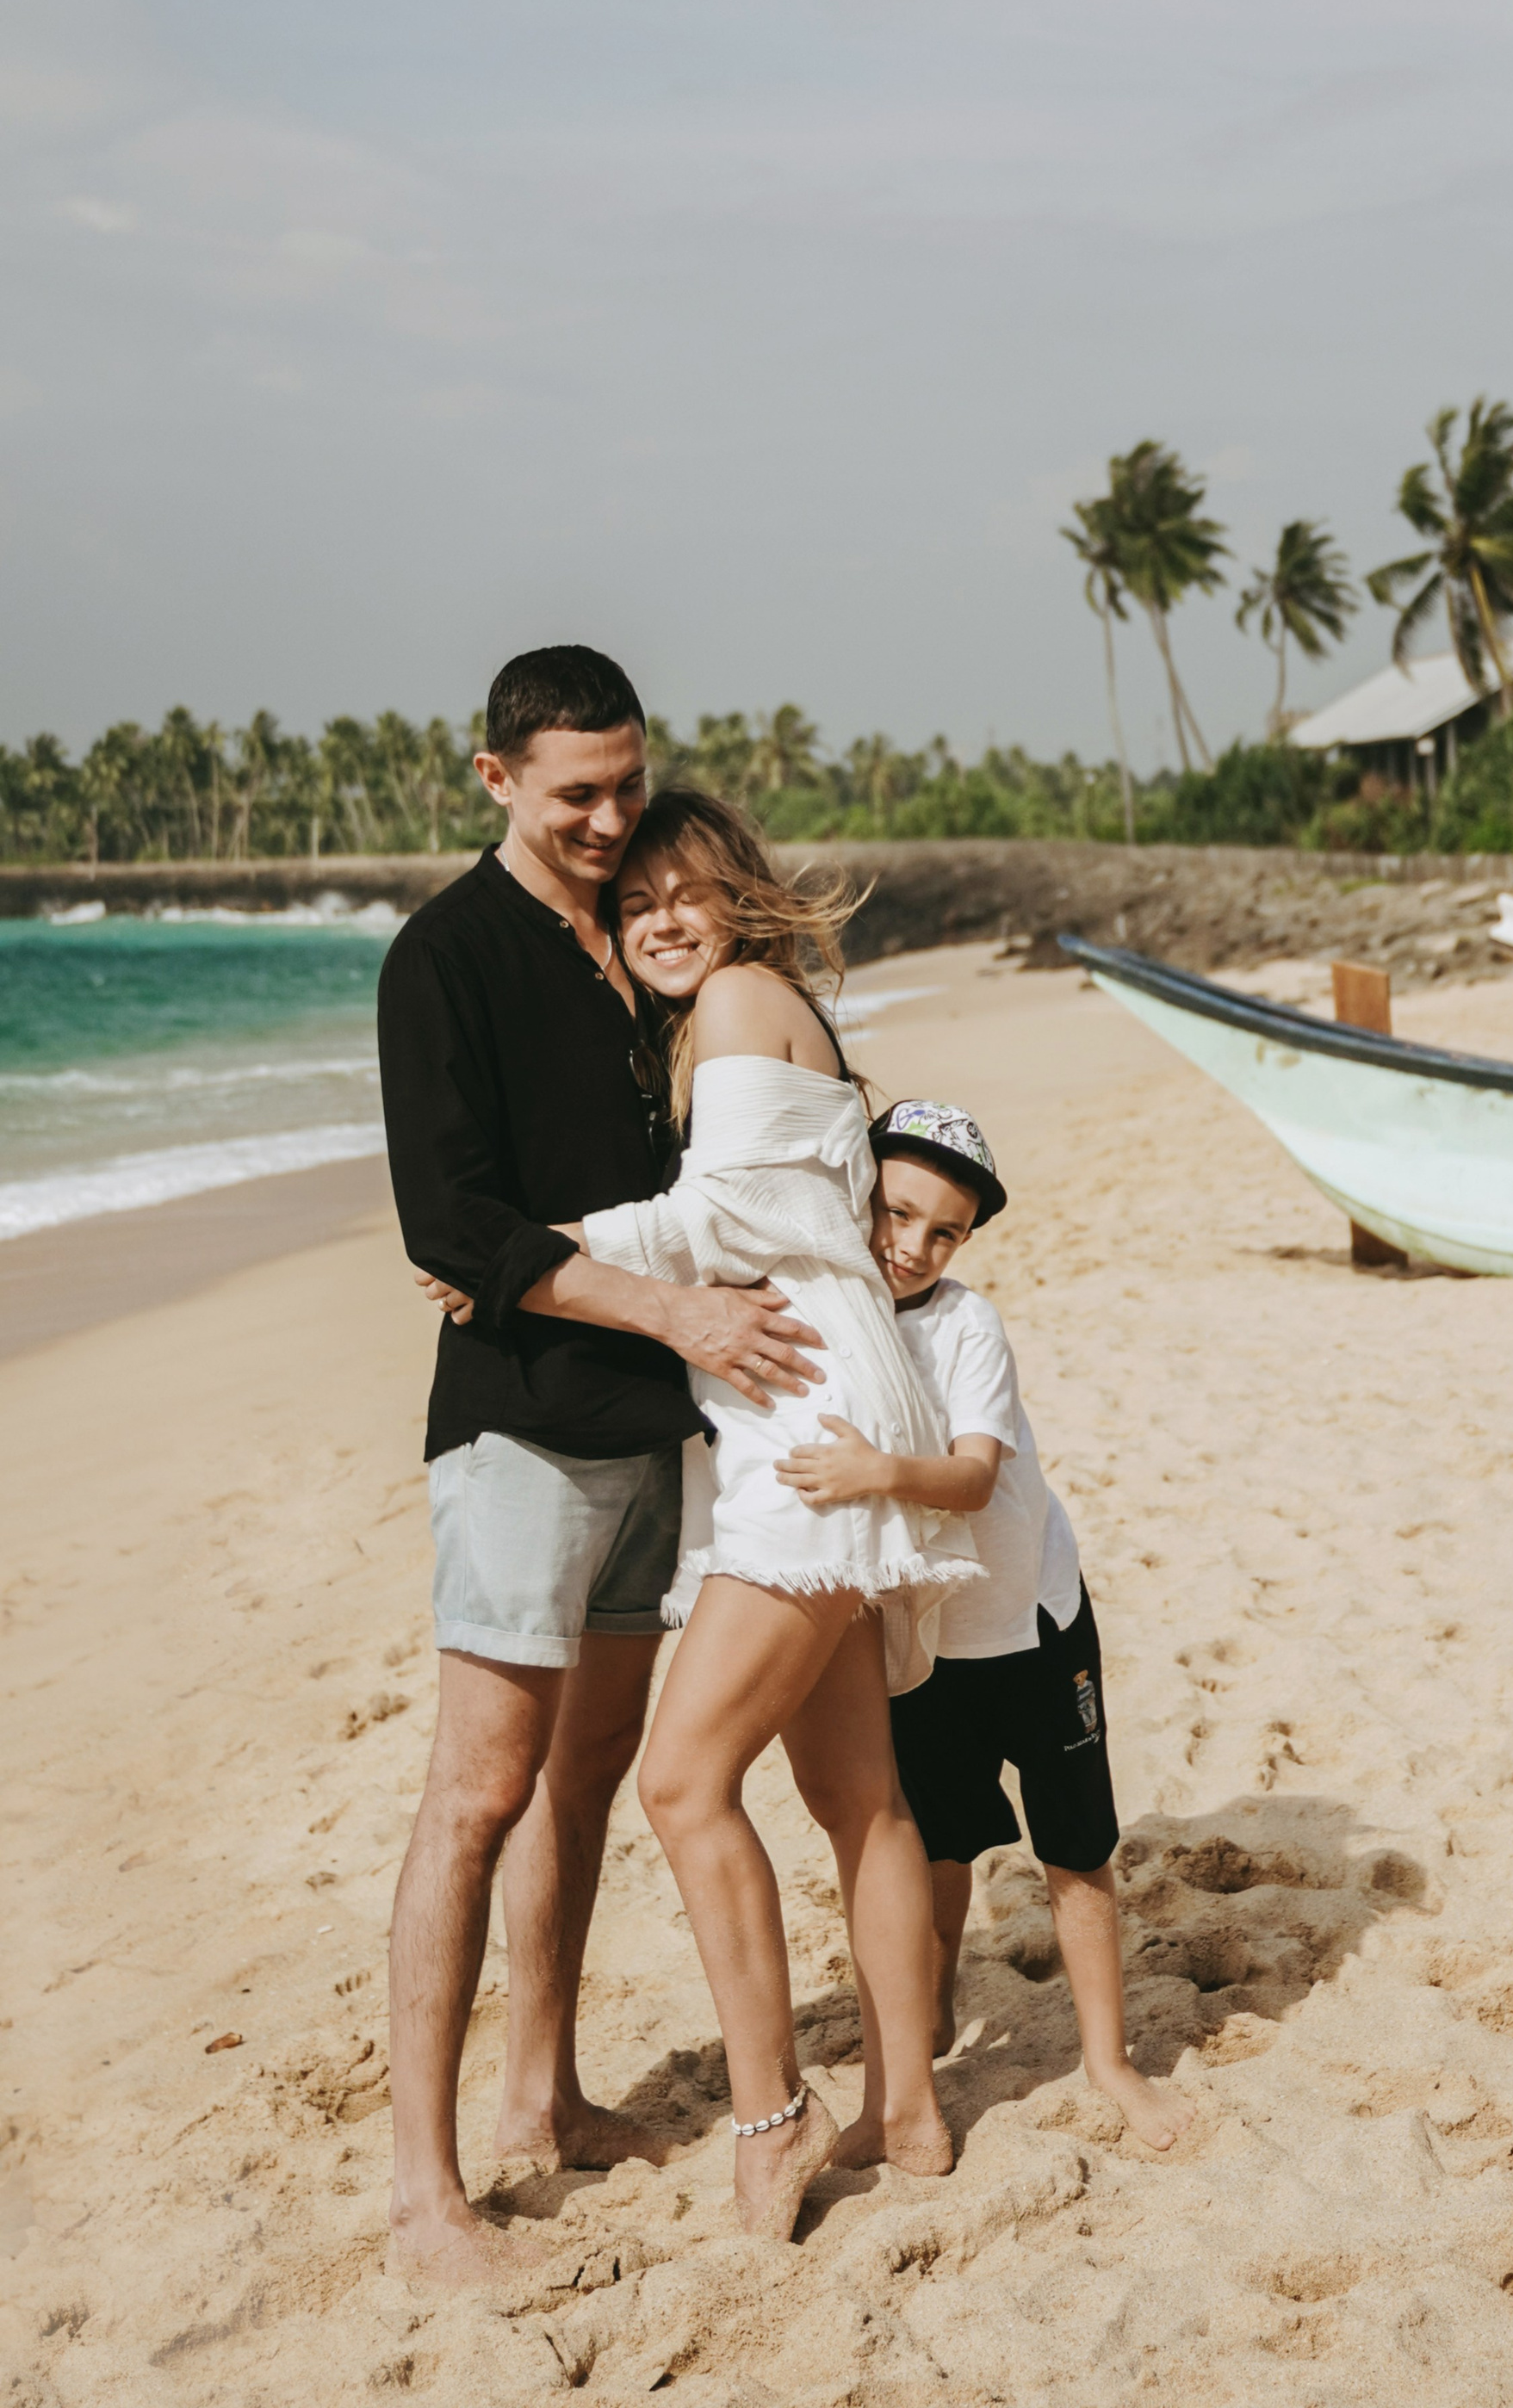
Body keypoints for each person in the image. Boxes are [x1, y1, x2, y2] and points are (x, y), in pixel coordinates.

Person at [376, 647, 824, 2284]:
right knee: (479, 1791)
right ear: (493, 778)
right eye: (578, 792)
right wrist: (668, 1308)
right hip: (518, 1428)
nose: (611, 819)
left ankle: (542, 2096)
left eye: (629, 785)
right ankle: (428, 2200)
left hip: (659, 1435)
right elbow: (452, 1224)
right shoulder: (443, 957)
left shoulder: (641, 942)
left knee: (581, 1784)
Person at [570, 789, 984, 2238]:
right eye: (638, 904)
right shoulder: (773, 1007)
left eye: (688, 892)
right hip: (839, 1398)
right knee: (857, 1796)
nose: (665, 920)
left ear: (737, 897)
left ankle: (775, 2114)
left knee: (682, 1783)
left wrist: (539, 1250)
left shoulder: (742, 1001)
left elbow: (723, 1220)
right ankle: (914, 2112)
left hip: (812, 1426)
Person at [774, 1099, 1194, 2152]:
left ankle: (1107, 2058)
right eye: (894, 1210)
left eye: (942, 1229)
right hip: (920, 1640)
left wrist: (873, 1471)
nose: (910, 1244)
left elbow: (970, 1475)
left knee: (1075, 1846)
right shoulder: (828, 1308)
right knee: (935, 1845)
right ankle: (931, 2015)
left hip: (1030, 1621)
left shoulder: (967, 1323)